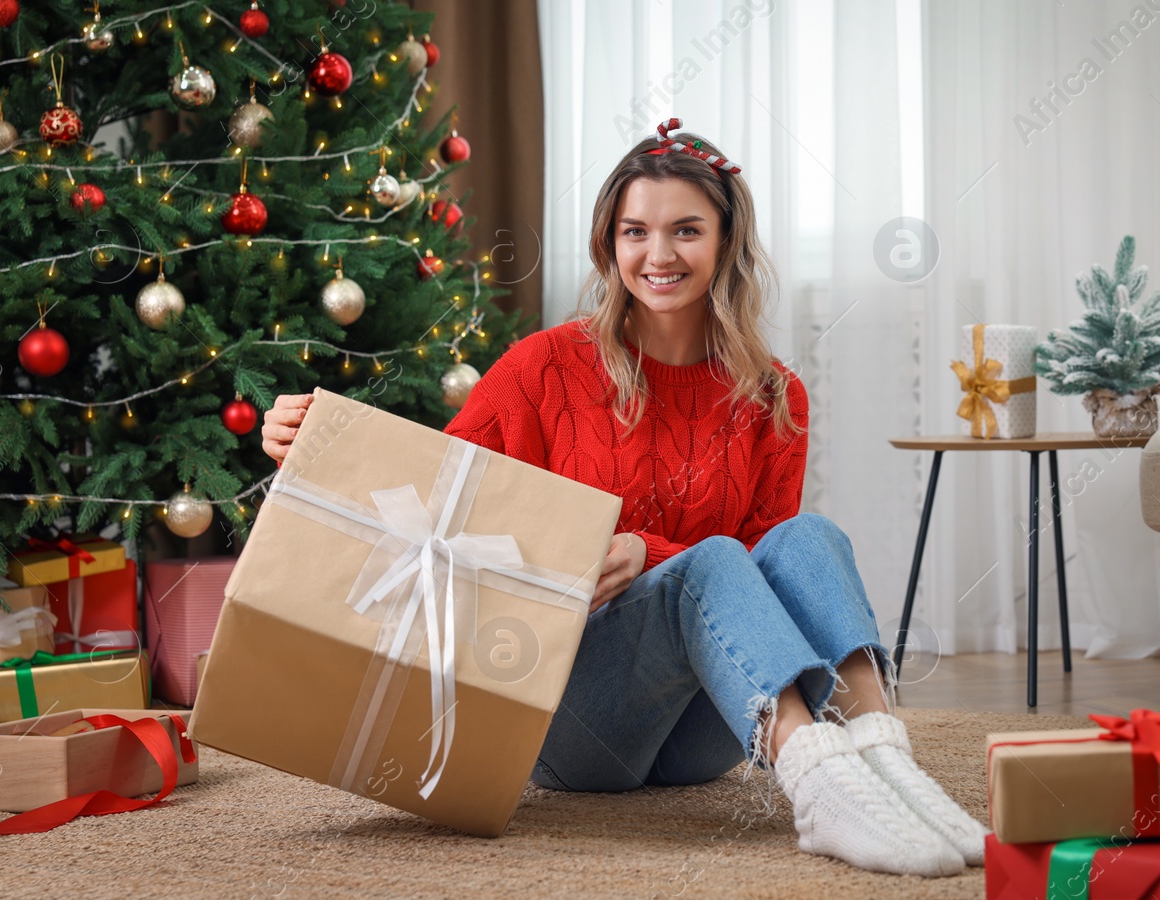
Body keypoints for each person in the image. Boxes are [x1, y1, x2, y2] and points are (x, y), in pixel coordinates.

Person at [261, 119, 987, 877]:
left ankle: (889, 766)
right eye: (635, 231)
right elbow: (434, 498)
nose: (659, 255)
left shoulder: (776, 396)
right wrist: (313, 439)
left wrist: (647, 551)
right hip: (568, 715)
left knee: (810, 539)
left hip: (704, 736)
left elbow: (770, 576)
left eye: (686, 230)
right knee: (706, 563)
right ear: (609, 244)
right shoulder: (542, 369)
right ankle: (821, 789)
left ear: (727, 241)